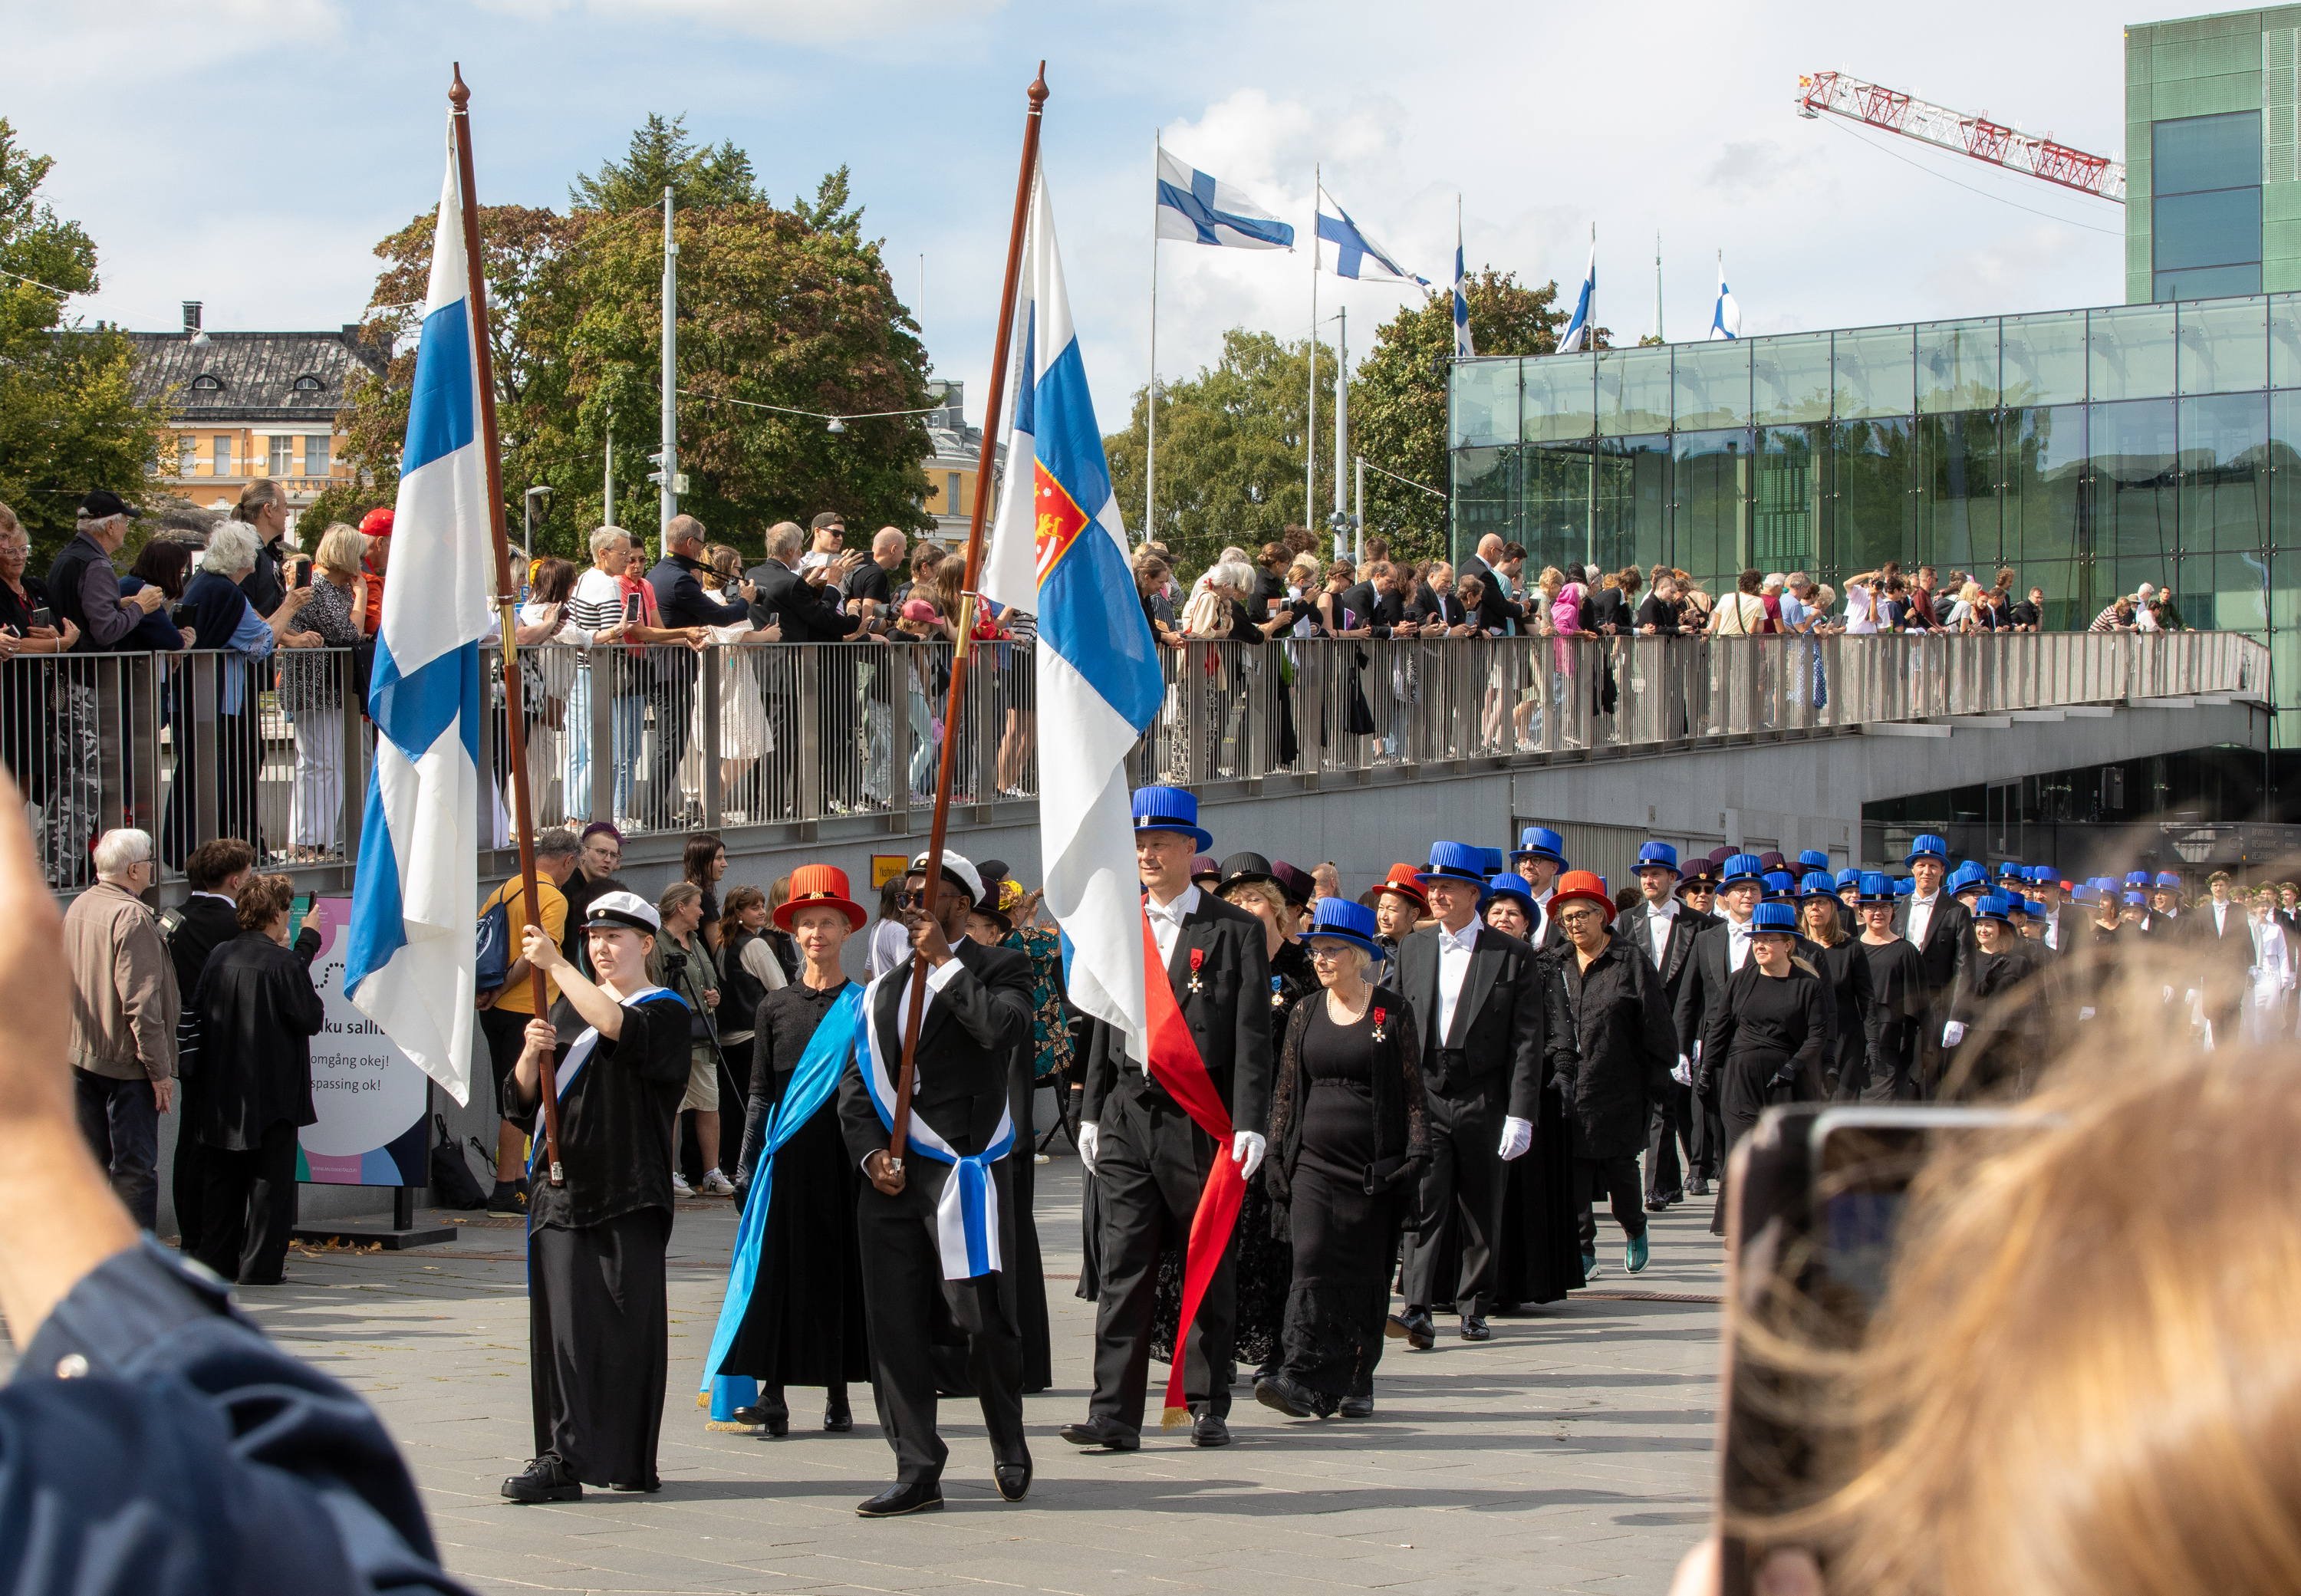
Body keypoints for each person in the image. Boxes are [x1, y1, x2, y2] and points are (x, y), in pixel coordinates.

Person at [1066, 787, 1272, 1451]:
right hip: (1129, 1112)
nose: (1148, 854)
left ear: (1191, 848)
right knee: (1124, 1263)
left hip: (1200, 1117)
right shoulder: (1118, 923)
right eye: (1139, 843)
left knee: (1205, 1260)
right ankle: (1114, 1413)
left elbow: (1249, 1035)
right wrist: (1092, 1108)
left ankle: (1209, 1402)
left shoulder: (1232, 929)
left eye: (1160, 842)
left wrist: (1249, 1120)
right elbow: (1102, 1022)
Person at [838, 850, 1035, 1515]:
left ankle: (1006, 1433)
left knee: (981, 1317)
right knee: (892, 1325)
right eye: (906, 893)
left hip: (962, 1176)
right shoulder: (881, 991)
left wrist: (946, 963)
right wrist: (870, 1156)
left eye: (931, 892)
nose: (914, 902)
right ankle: (917, 1466)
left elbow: (1001, 1029)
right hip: (893, 1184)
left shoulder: (1000, 967)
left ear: (961, 902)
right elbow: (857, 1085)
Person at [500, 891, 692, 1502]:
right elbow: (520, 1100)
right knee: (563, 1332)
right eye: (593, 937)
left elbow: (620, 1028)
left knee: (623, 1329)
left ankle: (625, 1457)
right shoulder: (567, 1008)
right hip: (561, 1190)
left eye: (615, 937)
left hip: (627, 1189)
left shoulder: (665, 1010)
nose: (601, 947)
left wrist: (556, 963)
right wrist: (531, 1056)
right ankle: (561, 1455)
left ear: (645, 944)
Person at [708, 865, 867, 1439]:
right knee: (776, 1272)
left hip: (847, 1159)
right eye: (807, 923)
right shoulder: (774, 1006)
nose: (817, 933)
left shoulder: (866, 1005)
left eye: (828, 922)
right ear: (793, 932)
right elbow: (758, 1095)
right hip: (787, 1158)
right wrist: (746, 1164)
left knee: (839, 1270)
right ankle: (771, 1393)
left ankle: (838, 1391)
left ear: (847, 930)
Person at [1256, 897, 1427, 1421]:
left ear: (1359, 954)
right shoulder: (1306, 1011)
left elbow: (1413, 1093)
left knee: (1365, 1272)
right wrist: (1277, 1154)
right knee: (1310, 1257)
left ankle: (1357, 1375)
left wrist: (1416, 1154)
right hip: (1313, 1163)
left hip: (1372, 1168)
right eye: (1316, 950)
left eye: (1332, 950)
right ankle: (1301, 1374)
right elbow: (1286, 1090)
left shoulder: (1391, 1011)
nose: (1321, 959)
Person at [1388, 840, 1546, 1348]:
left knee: (1482, 1205)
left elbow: (1527, 1040)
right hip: (1429, 1092)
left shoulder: (1512, 954)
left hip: (1483, 1094)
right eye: (1432, 887)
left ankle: (1474, 1306)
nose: (1437, 895)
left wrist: (1521, 1113)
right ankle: (1416, 1308)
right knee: (1424, 1204)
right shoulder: (1414, 945)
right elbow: (1398, 1022)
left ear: (1473, 893)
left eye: (1447, 887)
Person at [176, 874, 324, 1285]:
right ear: (277, 915)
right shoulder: (281, 963)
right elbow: (310, 1017)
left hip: (221, 1090)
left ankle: (215, 1262)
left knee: (221, 1181)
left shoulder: (220, 954)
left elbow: (199, 1007)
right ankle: (259, 1268)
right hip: (273, 1091)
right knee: (268, 1186)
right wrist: (304, 946)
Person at [1206, 851, 1315, 1389]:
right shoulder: (1220, 961)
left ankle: (1278, 1345)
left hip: (1289, 1120)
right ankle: (1220, 1346)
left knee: (1277, 1241)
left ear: (1279, 911)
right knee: (1229, 1239)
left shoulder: (1304, 969)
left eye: (1255, 898)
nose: (1245, 906)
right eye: (1234, 899)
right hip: (1229, 1115)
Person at [161, 524, 321, 866]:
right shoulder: (226, 592)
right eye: (252, 554)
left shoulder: (204, 583)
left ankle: (191, 852)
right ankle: (198, 856)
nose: (256, 561)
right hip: (212, 701)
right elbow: (262, 642)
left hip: (196, 697)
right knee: (211, 776)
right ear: (242, 559)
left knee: (198, 771)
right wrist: (290, 605)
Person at [1546, 868, 1675, 1276]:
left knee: (1621, 1173)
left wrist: (1659, 1073)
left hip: (1619, 1085)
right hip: (1568, 1084)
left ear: (1603, 915)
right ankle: (1584, 1251)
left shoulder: (1631, 961)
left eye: (1583, 914)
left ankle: (1635, 1228)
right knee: (1575, 1177)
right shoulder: (1553, 963)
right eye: (1567, 917)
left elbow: (1656, 1022)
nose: (1574, 924)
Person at [64, 827, 176, 1232]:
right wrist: (160, 1071)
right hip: (127, 1066)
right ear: (133, 869)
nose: (151, 868)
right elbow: (142, 1005)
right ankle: (133, 1268)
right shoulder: (131, 916)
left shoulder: (80, 904)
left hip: (83, 1056)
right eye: (149, 862)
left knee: (89, 1166)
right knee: (135, 1169)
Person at [1697, 900, 1827, 1236]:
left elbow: (1818, 1036)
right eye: (1756, 939)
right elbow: (1720, 1028)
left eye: (1768, 939)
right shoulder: (1741, 980)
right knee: (1741, 1152)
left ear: (1788, 944)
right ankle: (1738, 1225)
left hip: (1784, 1083)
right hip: (1739, 1080)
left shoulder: (1808, 985)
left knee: (1778, 1154)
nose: (1760, 945)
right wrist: (1707, 1070)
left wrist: (1794, 1066)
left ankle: (1781, 1221)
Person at [475, 831, 578, 1218]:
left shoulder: (503, 890)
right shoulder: (551, 897)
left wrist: (487, 993)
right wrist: (501, 989)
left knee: (515, 1092)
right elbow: (536, 955)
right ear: (568, 862)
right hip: (523, 1007)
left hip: (495, 1008)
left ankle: (517, 1182)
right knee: (517, 1097)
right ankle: (504, 1188)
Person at [1620, 841, 1715, 1209]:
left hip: (1683, 1023)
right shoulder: (1628, 920)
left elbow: (1704, 984)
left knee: (1671, 1102)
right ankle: (1669, 1183)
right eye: (1644, 875)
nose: (1648, 880)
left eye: (1656, 874)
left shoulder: (1700, 923)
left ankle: (1660, 1185)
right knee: (1656, 1102)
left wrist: (1699, 1035)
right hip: (1643, 1023)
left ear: (1673, 879)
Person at [277, 523, 367, 858]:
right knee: (318, 764)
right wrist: (363, 597)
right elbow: (349, 634)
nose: (361, 561)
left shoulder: (336, 589)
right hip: (313, 688)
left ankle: (318, 841)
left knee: (328, 765)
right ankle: (307, 841)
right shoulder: (319, 588)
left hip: (330, 688)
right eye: (357, 553)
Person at [650, 880, 729, 1198]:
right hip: (674, 1040)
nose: (702, 912)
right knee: (675, 1107)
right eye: (697, 905)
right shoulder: (657, 944)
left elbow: (712, 982)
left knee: (709, 1104)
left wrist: (714, 996)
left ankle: (712, 1172)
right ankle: (668, 1172)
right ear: (680, 907)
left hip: (703, 1038)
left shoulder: (696, 942)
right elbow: (653, 988)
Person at [1943, 893, 2054, 1097]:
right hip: (1972, 1038)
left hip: (2004, 1039)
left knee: (2001, 1094)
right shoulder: (1966, 960)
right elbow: (1960, 998)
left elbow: (2027, 1004)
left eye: (1989, 925)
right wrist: (1984, 984)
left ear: (2001, 929)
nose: (1983, 930)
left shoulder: (2017, 962)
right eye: (1980, 925)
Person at [1893, 834, 1970, 1097]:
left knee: (1932, 1078)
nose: (1927, 872)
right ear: (1913, 868)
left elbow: (1965, 967)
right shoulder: (1900, 906)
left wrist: (1957, 1017)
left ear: (1943, 872)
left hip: (1938, 1005)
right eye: (1922, 865)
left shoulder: (1957, 911)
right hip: (1902, 1002)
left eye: (1934, 866)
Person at [715, 884, 788, 1149]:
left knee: (732, 1107)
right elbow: (780, 991)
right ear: (738, 913)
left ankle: (732, 1164)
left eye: (762, 905)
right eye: (754, 907)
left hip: (726, 1040)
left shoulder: (723, 944)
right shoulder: (755, 945)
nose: (762, 911)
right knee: (758, 1106)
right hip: (752, 1037)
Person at [1797, 871, 1881, 1100]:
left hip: (1845, 1043)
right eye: (1809, 902)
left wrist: (1872, 1041)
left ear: (1834, 907)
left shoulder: (1850, 949)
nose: (1814, 908)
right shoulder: (1794, 948)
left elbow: (1867, 999)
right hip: (1804, 1042)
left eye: (1821, 902)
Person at [1852, 873, 1927, 1101]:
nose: (1878, 913)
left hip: (1889, 1049)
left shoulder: (1906, 951)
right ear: (1861, 911)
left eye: (1884, 906)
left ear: (1893, 911)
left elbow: (1918, 1008)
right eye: (1871, 907)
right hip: (1854, 1045)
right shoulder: (1849, 949)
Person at [1510, 824, 1570, 946]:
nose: (1527, 866)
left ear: (1553, 868)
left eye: (1536, 859)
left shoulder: (1566, 908)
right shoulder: (1509, 903)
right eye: (1523, 860)